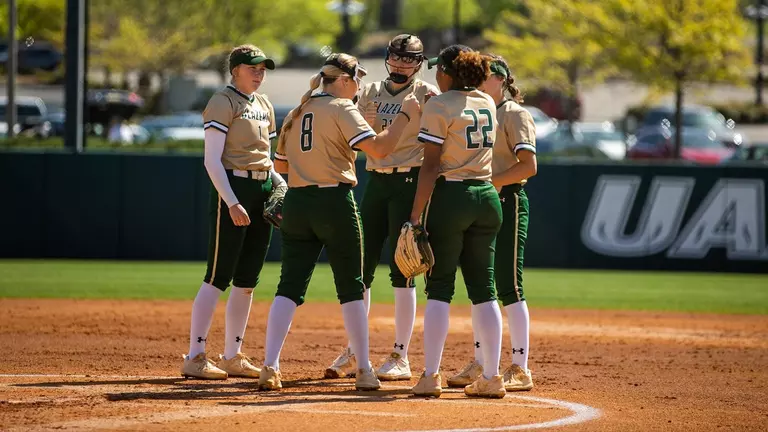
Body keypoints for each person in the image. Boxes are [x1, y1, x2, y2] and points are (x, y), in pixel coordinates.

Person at [257, 53, 421, 392]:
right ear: (343, 80)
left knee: (288, 287)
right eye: (357, 79)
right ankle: (363, 368)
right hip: (334, 203)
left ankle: (270, 366)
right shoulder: (343, 109)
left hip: (298, 202)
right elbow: (380, 149)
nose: (360, 85)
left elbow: (282, 167)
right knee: (351, 286)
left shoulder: (298, 110)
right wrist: (407, 114)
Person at [324, 34, 439, 382]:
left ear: (419, 62)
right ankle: (355, 348)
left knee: (403, 266)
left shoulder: (427, 94)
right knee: (362, 265)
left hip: (408, 181)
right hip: (377, 181)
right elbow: (358, 142)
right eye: (398, 57)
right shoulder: (370, 90)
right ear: (388, 58)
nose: (402, 64)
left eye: (410, 59)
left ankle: (400, 354)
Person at [181, 45, 286, 380]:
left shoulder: (265, 104)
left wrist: (280, 186)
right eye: (253, 67)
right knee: (217, 276)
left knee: (247, 281)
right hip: (234, 189)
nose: (259, 73)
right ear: (236, 69)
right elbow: (212, 160)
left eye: (263, 68)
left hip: (261, 189)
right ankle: (195, 356)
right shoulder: (222, 101)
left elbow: (267, 158)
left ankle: (232, 355)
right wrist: (230, 201)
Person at [408, 45, 506, 399]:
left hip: (452, 198)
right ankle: (492, 376)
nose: (435, 74)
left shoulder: (439, 104)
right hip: (487, 197)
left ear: (448, 72)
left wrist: (415, 215)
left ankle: (430, 375)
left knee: (440, 289)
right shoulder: (487, 102)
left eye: (439, 69)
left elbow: (431, 166)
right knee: (485, 291)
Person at [447, 54, 537, 392]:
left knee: (509, 284)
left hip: (509, 199)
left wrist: (493, 183)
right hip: (482, 202)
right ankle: (483, 362)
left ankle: (520, 365)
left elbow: (528, 166)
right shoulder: (476, 109)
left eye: (487, 76)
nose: (481, 82)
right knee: (480, 285)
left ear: (500, 79)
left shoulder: (514, 113)